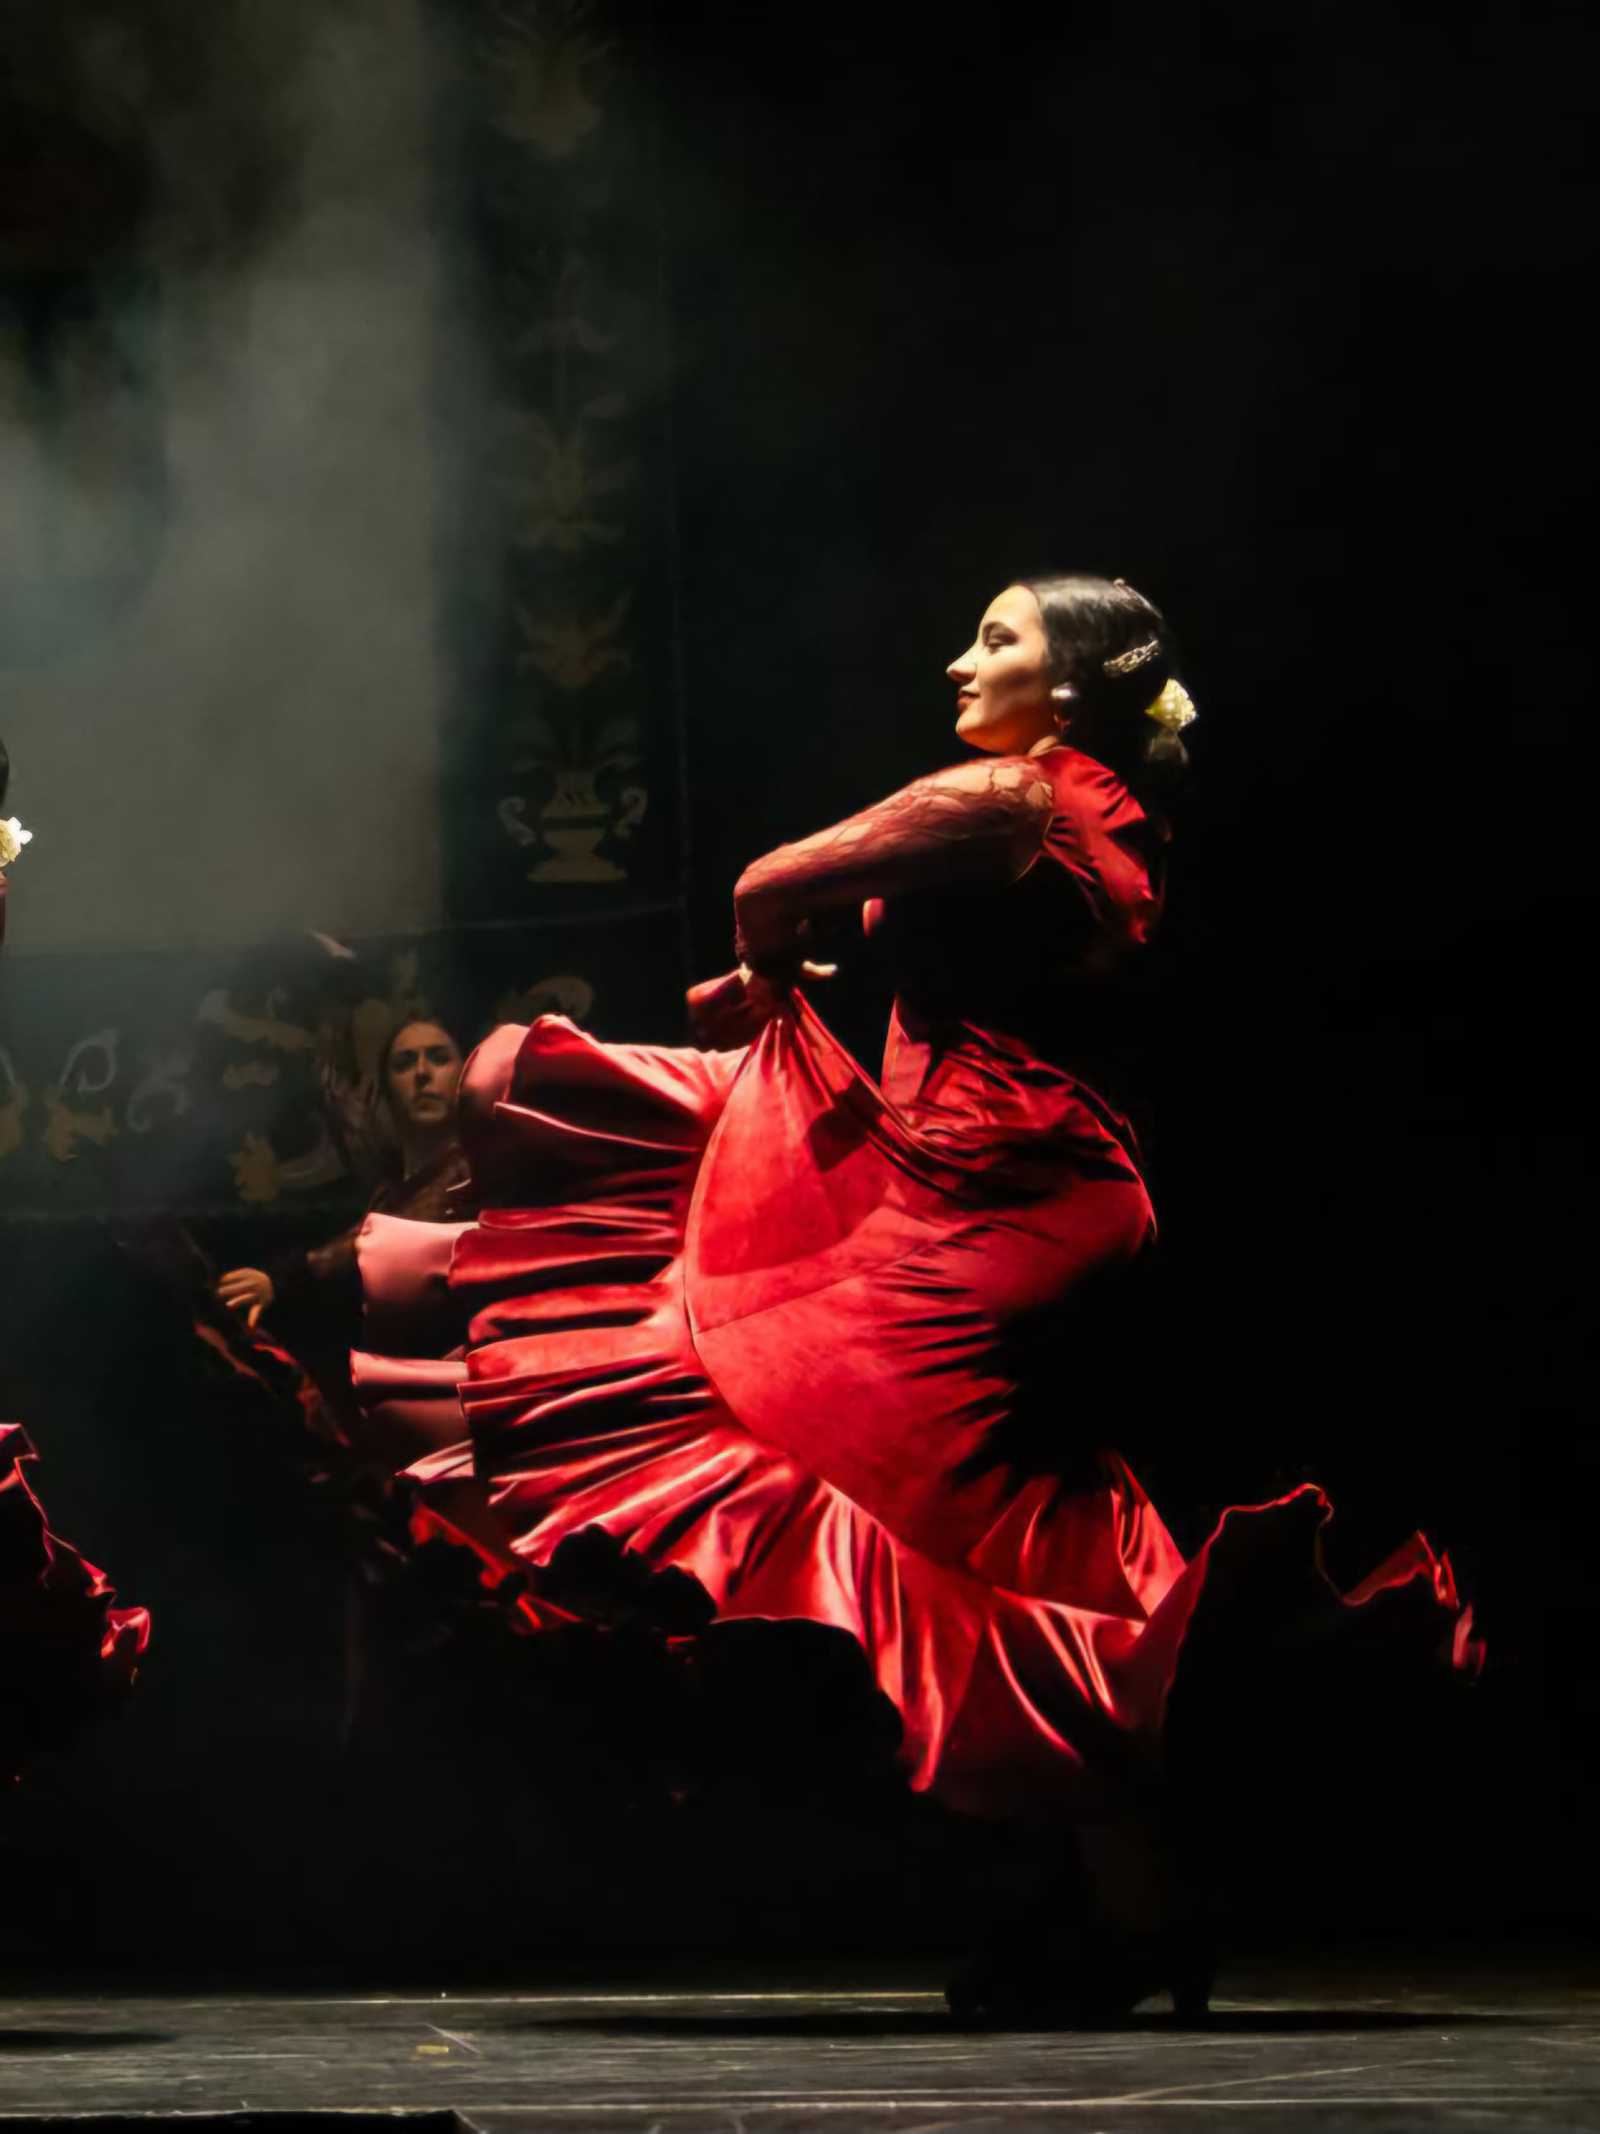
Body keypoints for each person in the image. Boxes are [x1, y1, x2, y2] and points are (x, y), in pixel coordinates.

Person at [347, 577, 1478, 2019]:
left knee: (844, 1449)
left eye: (998, 639)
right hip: (1043, 1187)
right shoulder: (1111, 816)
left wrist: (768, 967)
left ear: (1066, 690)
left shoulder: (1009, 796)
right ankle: (1120, 1903)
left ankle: (1117, 1897)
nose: (961, 659)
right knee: (1017, 1540)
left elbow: (768, 882)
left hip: (979, 1197)